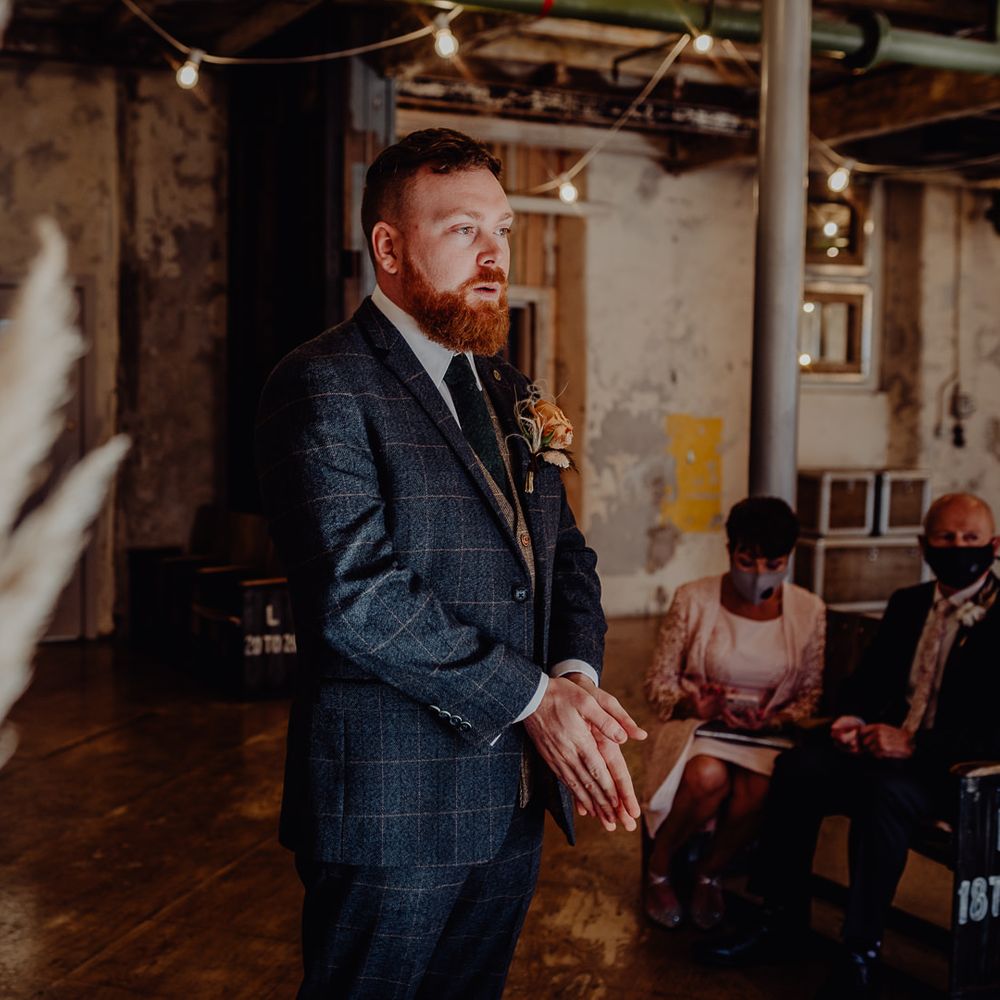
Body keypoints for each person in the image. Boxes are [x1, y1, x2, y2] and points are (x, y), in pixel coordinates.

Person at [255, 128, 646, 1000]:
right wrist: (537, 699)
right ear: (389, 247)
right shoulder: (322, 383)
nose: (494, 255)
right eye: (464, 230)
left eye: (502, 231)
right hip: (392, 809)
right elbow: (355, 597)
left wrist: (575, 673)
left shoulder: (510, 389)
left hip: (509, 800)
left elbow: (563, 555)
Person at [698, 492, 1000, 998]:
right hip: (883, 753)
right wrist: (851, 718)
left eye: (970, 539)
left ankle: (860, 951)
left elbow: (993, 730)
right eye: (946, 537)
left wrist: (914, 744)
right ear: (925, 545)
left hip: (955, 773)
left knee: (882, 798)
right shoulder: (909, 603)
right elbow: (869, 681)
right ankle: (780, 920)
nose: (957, 547)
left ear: (994, 545)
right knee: (798, 768)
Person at [642, 496, 825, 931]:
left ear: (788, 558)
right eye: (748, 560)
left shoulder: (808, 610)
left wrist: (775, 719)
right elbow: (656, 683)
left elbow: (810, 693)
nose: (759, 573)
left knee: (761, 786)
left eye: (773, 562)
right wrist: (691, 703)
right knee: (708, 776)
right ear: (730, 551)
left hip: (766, 734)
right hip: (699, 727)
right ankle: (659, 867)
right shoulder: (693, 599)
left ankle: (709, 872)